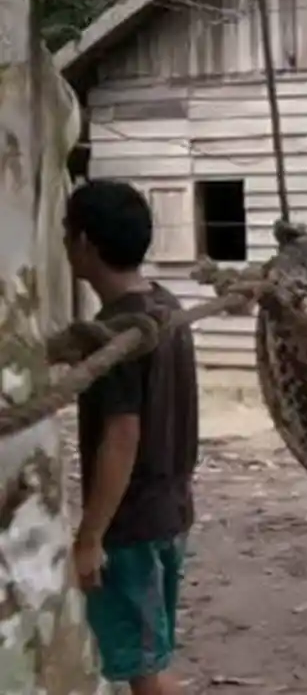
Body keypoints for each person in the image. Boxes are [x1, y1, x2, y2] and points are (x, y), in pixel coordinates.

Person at [64, 179, 199, 695]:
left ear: (84, 244)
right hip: (171, 510)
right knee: (153, 652)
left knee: (146, 669)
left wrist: (90, 537)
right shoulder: (167, 309)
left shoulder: (119, 331)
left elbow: (122, 435)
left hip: (133, 524)